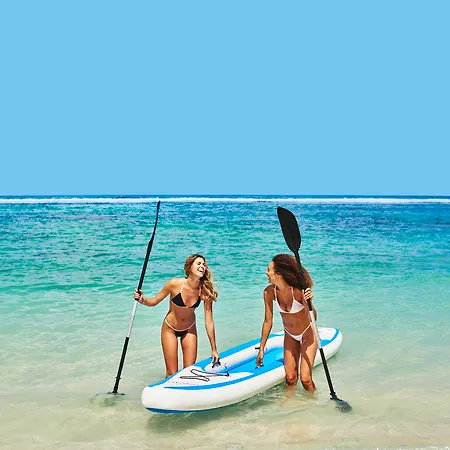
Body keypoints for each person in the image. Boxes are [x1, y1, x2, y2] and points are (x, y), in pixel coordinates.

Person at [133, 253, 220, 378]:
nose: (202, 266)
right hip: (170, 329)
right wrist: (142, 299)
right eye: (198, 263)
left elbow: (209, 321)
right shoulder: (174, 284)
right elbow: (154, 301)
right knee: (171, 373)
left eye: (204, 264)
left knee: (189, 372)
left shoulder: (205, 291)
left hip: (189, 329)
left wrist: (214, 349)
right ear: (190, 267)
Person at [256, 254, 318, 391]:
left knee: (306, 380)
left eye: (269, 270)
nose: (266, 273)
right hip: (290, 335)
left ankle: (314, 399)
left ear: (279, 274)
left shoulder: (298, 292)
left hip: (307, 335)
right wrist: (261, 348)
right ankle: (290, 401)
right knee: (290, 378)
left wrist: (309, 302)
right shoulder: (269, 292)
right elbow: (267, 321)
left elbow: (313, 317)